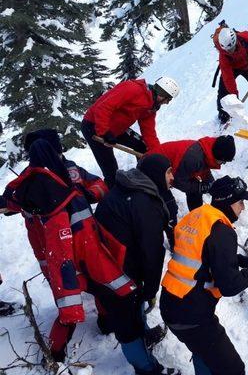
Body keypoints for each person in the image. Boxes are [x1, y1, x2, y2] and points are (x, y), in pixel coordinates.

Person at [1, 132, 137, 362]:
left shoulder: (71, 170)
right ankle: (54, 354)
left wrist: (88, 193)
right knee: (68, 301)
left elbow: (100, 185)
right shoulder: (28, 182)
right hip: (57, 254)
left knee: (100, 287)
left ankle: (106, 324)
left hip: (86, 244)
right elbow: (10, 203)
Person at [160, 176, 248, 375]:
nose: (243, 208)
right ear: (228, 202)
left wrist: (242, 261)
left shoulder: (199, 215)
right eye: (240, 202)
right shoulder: (222, 231)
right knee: (233, 369)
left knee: (204, 352)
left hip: (172, 303)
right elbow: (229, 286)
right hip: (192, 316)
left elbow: (202, 255)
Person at [94, 154, 180, 375]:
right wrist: (151, 290)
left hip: (115, 263)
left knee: (134, 308)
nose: (173, 176)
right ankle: (147, 369)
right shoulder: (144, 204)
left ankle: (143, 333)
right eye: (169, 172)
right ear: (155, 175)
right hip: (116, 276)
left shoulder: (131, 188)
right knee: (128, 326)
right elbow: (152, 253)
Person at [82, 77, 180, 187]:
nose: (167, 103)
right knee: (111, 171)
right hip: (95, 126)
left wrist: (158, 156)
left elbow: (149, 133)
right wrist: (104, 131)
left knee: (143, 146)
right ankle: (114, 198)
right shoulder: (132, 89)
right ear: (161, 93)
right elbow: (103, 107)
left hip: (116, 129)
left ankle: (146, 179)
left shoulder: (151, 106)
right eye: (168, 99)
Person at [147, 135, 236, 211]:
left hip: (170, 170)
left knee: (196, 190)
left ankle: (196, 216)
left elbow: (204, 170)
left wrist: (212, 184)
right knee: (170, 208)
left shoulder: (206, 151)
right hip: (150, 169)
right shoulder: (193, 158)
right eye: (224, 161)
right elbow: (178, 182)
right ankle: (173, 229)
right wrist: (200, 187)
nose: (223, 164)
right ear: (219, 156)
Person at [212, 25, 248, 125]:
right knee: (224, 90)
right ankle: (223, 116)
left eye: (232, 48)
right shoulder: (223, 56)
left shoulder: (246, 38)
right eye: (227, 50)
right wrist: (234, 98)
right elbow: (228, 78)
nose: (230, 52)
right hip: (233, 68)